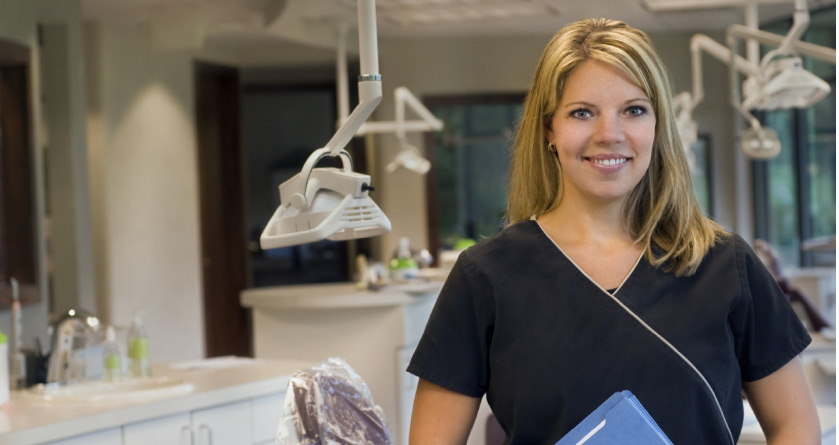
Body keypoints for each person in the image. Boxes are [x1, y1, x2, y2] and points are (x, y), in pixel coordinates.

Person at [407, 18, 820, 444]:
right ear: (549, 129)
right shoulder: (486, 277)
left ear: (658, 125)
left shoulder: (724, 265)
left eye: (634, 110)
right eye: (582, 112)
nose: (610, 134)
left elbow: (795, 426)